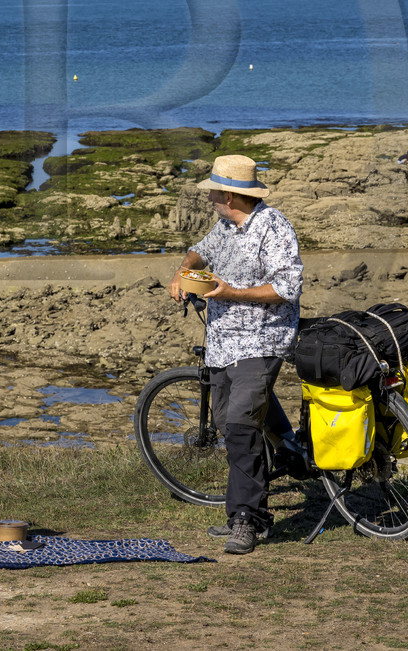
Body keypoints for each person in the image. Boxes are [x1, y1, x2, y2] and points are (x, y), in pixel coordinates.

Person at [166, 153, 304, 554]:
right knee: (228, 421)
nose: (210, 200)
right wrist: (181, 272)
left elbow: (288, 288)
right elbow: (198, 251)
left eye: (214, 194)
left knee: (242, 425)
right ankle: (290, 451)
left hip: (263, 338)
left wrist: (231, 293)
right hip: (223, 340)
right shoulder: (226, 225)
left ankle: (248, 520)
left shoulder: (273, 227)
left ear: (229, 195)